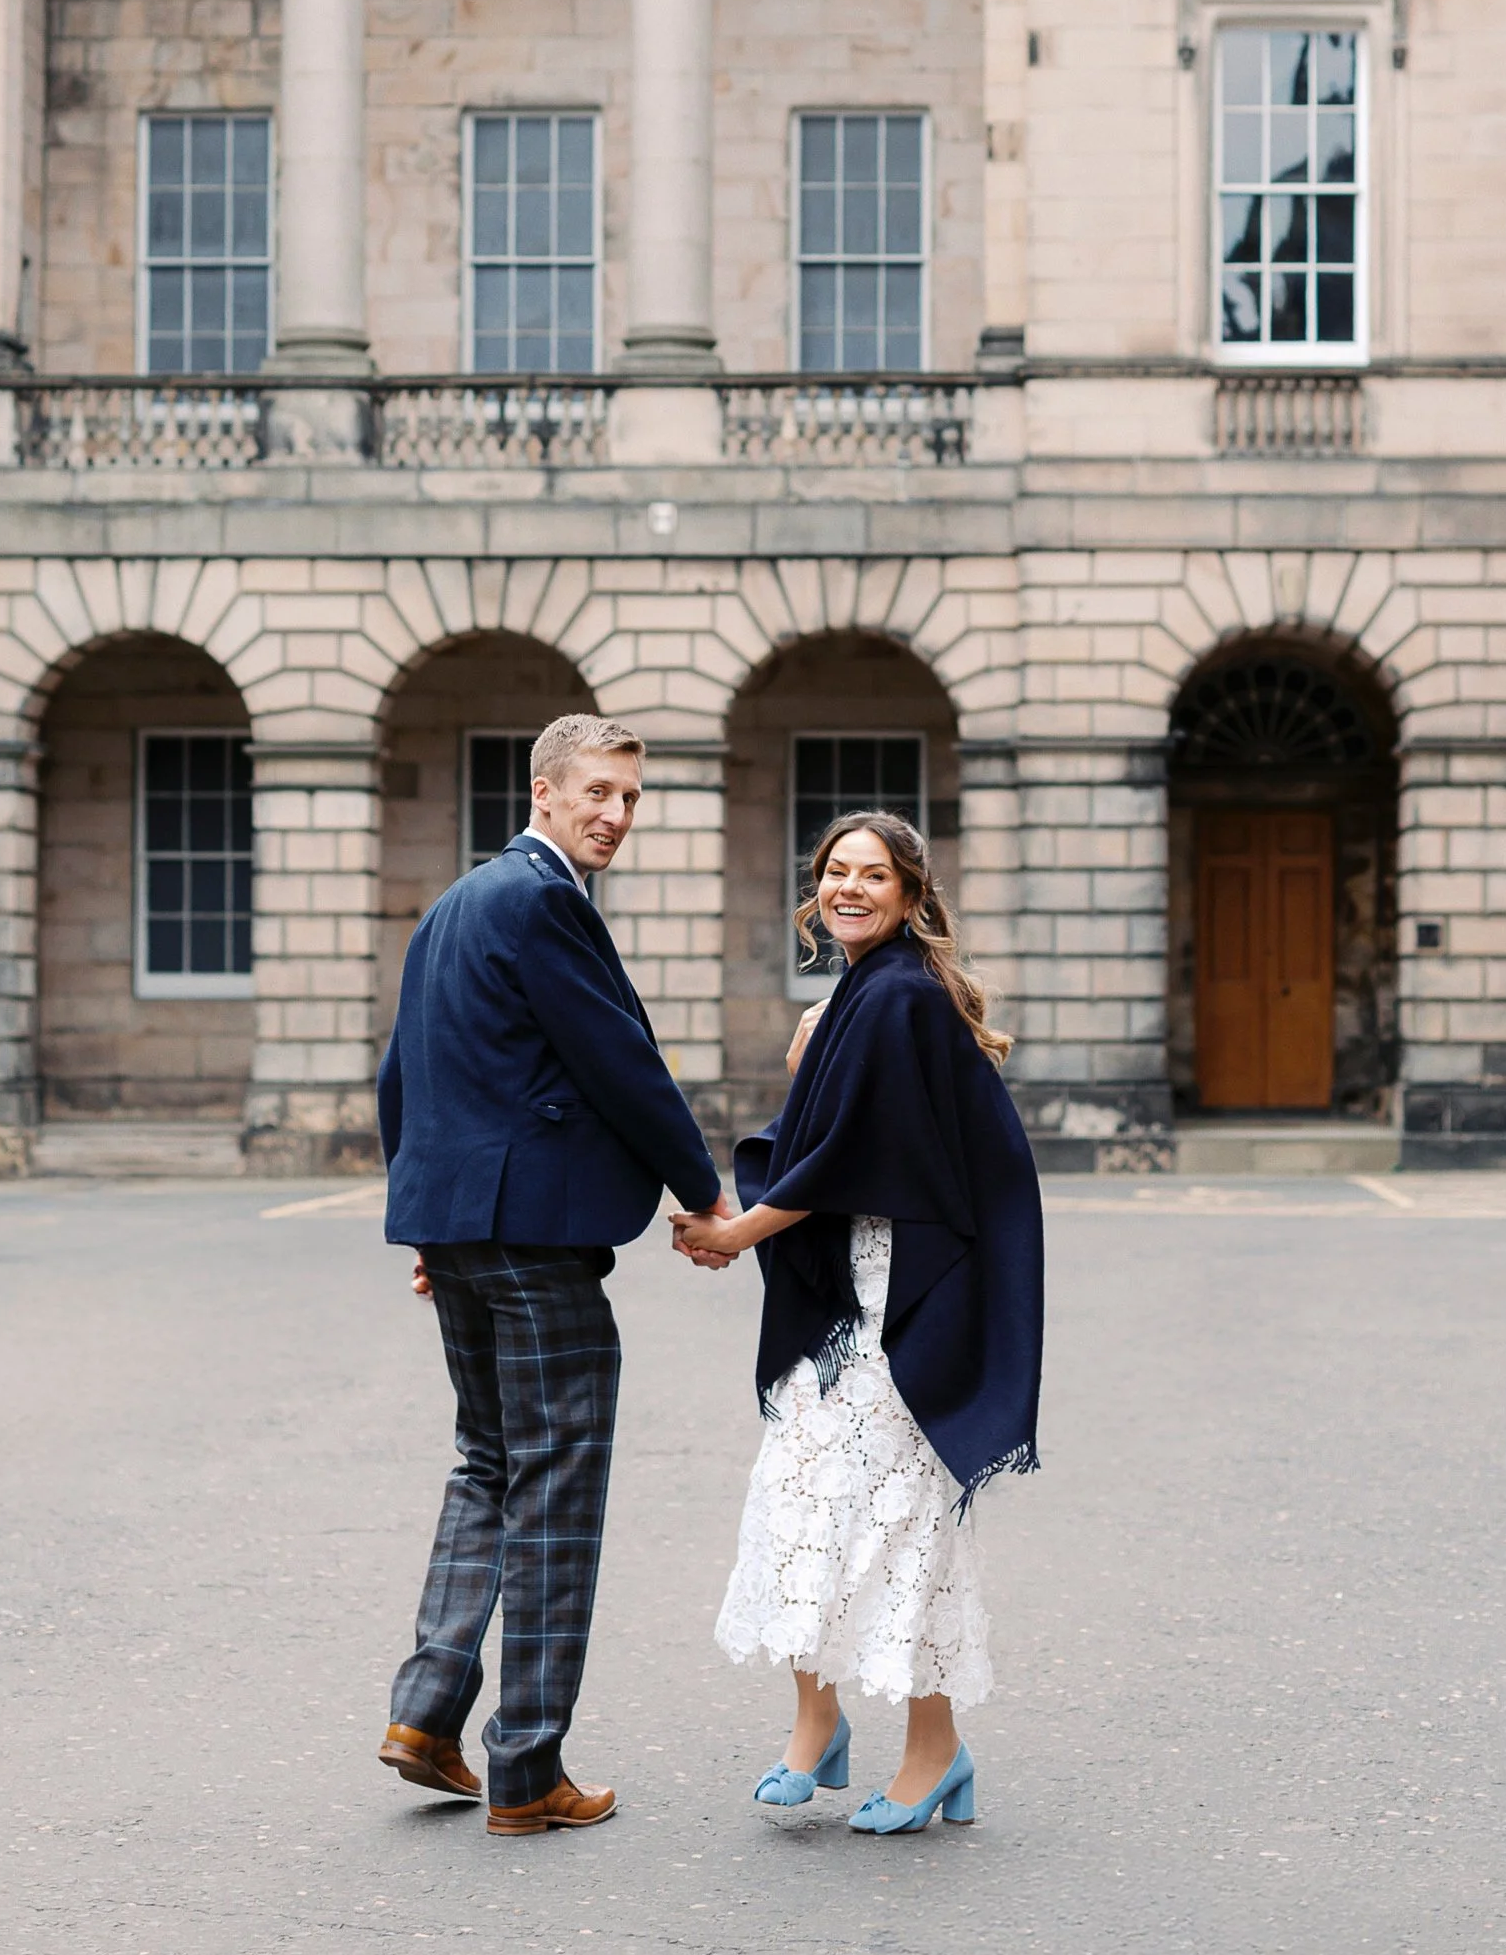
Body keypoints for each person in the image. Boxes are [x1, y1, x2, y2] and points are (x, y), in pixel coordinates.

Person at [376, 713, 735, 1836]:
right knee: (556, 1490)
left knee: (488, 1461)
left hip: (470, 1229)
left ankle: (426, 1712)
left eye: (629, 798)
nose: (614, 815)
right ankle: (526, 1766)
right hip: (533, 1238)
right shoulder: (540, 900)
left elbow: (403, 1078)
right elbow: (617, 1061)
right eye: (596, 793)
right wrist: (703, 1188)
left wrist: (431, 1228)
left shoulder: (452, 905)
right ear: (541, 793)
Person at [673, 811, 1044, 1835]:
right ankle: (814, 1729)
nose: (847, 886)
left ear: (911, 894)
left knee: (897, 1520)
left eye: (871, 874)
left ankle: (935, 1752)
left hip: (894, 1304)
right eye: (833, 870)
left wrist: (736, 1229)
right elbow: (838, 1135)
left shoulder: (896, 1000)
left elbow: (844, 1158)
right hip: (845, 1298)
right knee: (802, 1501)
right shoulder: (860, 992)